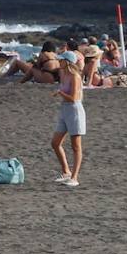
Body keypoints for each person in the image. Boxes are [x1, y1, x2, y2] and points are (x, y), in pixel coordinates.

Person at [51, 50, 85, 187]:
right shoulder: (63, 74)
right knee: (55, 142)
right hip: (64, 110)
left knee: (76, 146)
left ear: (67, 62)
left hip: (74, 110)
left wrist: (60, 93)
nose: (59, 61)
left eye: (61, 60)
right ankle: (66, 171)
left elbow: (74, 98)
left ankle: (74, 177)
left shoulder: (75, 76)